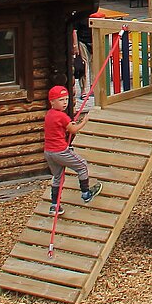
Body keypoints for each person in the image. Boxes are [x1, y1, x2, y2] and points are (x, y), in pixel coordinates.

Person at [44, 85, 102, 213]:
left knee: (58, 177)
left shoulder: (49, 114)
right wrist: (84, 121)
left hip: (49, 152)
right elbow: (73, 130)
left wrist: (68, 126)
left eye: (66, 99)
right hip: (60, 151)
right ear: (52, 101)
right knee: (82, 165)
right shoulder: (62, 116)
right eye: (61, 100)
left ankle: (55, 205)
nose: (64, 103)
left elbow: (58, 129)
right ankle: (86, 193)